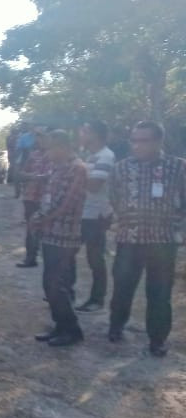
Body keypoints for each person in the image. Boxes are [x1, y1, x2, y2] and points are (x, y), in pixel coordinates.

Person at [108, 120, 186, 356]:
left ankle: (157, 339)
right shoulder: (121, 168)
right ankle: (116, 326)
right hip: (129, 239)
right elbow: (114, 197)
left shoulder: (178, 167)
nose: (137, 145)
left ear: (159, 141)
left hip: (163, 241)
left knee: (160, 293)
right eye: (134, 140)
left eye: (144, 140)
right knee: (122, 287)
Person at [32, 130, 88, 347]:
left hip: (65, 236)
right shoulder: (57, 168)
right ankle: (60, 325)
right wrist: (39, 218)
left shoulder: (77, 169)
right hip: (51, 233)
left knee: (57, 284)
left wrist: (42, 219)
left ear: (63, 147)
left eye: (51, 148)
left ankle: (72, 329)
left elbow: (66, 204)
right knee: (49, 283)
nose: (47, 153)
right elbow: (48, 198)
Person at [76, 121, 116, 312]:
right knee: (71, 253)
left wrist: (74, 179)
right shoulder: (91, 157)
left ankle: (97, 299)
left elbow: (94, 185)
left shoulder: (106, 156)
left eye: (84, 132)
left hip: (96, 214)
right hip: (84, 213)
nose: (80, 135)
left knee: (95, 258)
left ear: (95, 135)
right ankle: (66, 291)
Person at [16, 130, 50, 268]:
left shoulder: (54, 156)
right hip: (31, 196)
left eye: (42, 138)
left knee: (47, 228)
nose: (39, 141)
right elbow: (22, 172)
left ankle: (48, 258)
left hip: (47, 197)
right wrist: (32, 176)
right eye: (38, 139)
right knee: (31, 227)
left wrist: (41, 177)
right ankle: (30, 257)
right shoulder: (33, 155)